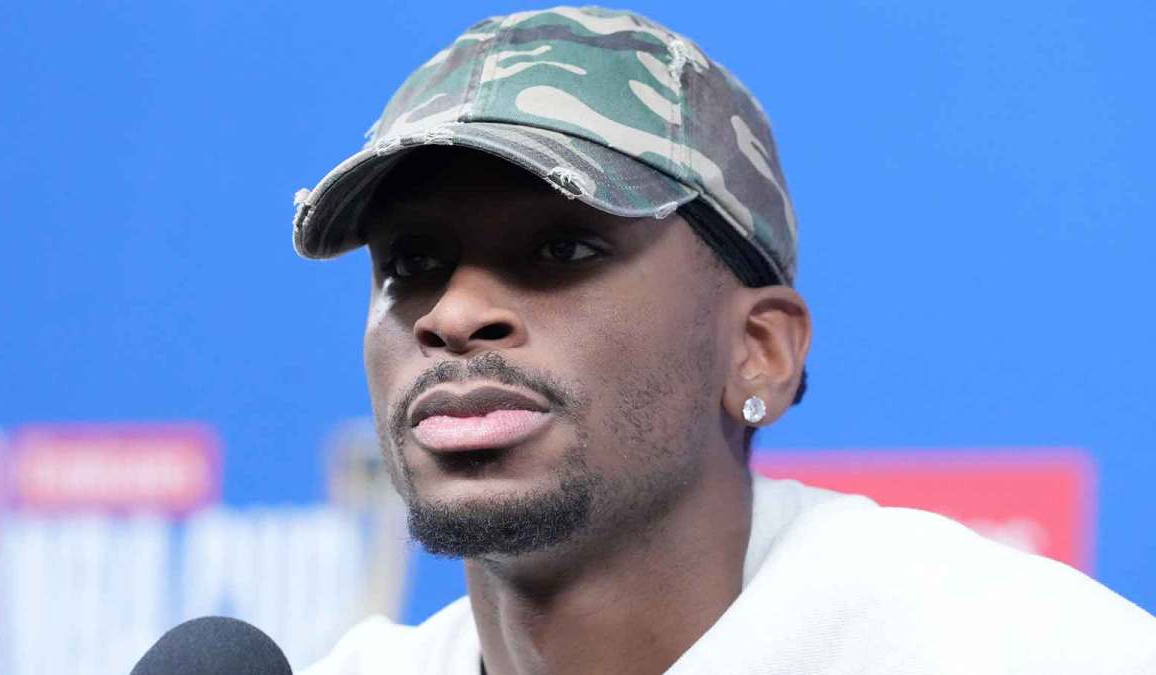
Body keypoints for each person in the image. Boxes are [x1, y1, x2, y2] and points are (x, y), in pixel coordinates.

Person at [292, 7, 1156, 674]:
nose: (453, 312)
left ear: (761, 352)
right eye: (412, 262)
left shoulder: (1020, 652)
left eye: (562, 248)